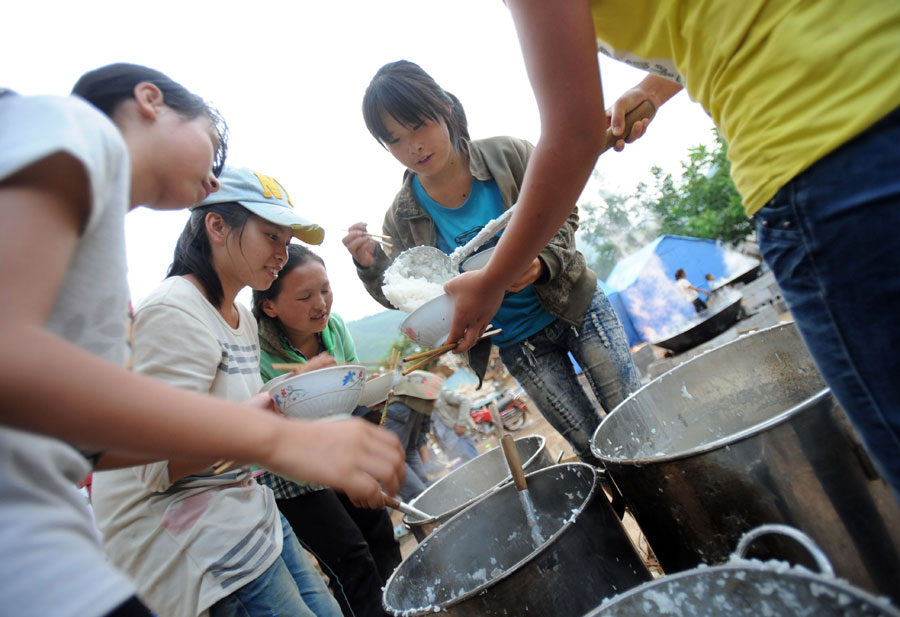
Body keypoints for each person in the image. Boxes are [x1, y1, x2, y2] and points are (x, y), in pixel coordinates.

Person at [442, 0, 900, 497]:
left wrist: (491, 281)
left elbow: (573, 136)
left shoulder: (503, 151)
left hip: (817, 152)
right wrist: (652, 90)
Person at [0, 64, 403, 617]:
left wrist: (274, 411)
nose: (213, 179)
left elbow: (89, 438)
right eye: (212, 150)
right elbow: (151, 461)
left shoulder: (214, 306)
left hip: (246, 525)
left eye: (287, 241)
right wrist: (275, 439)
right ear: (149, 100)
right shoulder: (77, 130)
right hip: (188, 549)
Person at [343, 60, 641, 466]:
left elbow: (564, 210)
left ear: (443, 108)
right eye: (395, 139)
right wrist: (370, 265)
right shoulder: (401, 218)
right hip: (517, 341)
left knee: (635, 421)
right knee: (592, 449)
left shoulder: (507, 155)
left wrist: (541, 262)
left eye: (418, 126)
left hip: (576, 306)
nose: (412, 146)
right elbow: (408, 297)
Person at [90, 166, 355, 617]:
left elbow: (242, 428)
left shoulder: (241, 317)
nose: (281, 254)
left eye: (286, 242)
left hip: (247, 511)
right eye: (272, 237)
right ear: (217, 226)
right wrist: (273, 406)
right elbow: (156, 465)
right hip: (196, 542)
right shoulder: (174, 312)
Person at [252, 244, 402, 617]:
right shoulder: (256, 352)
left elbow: (348, 396)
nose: (321, 304)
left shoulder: (333, 329)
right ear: (269, 306)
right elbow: (279, 428)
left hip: (339, 442)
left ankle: (405, 608)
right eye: (304, 297)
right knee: (350, 557)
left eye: (325, 290)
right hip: (290, 469)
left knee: (381, 535)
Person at [382, 370, 445, 502]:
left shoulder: (421, 408)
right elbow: (390, 457)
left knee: (426, 488)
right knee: (418, 495)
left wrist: (426, 466)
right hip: (392, 459)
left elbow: (415, 442)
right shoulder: (400, 408)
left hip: (406, 452)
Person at [431, 388, 480, 463]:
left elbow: (465, 401)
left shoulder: (442, 393)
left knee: (476, 463)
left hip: (459, 437)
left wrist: (461, 424)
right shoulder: (425, 405)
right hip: (448, 445)